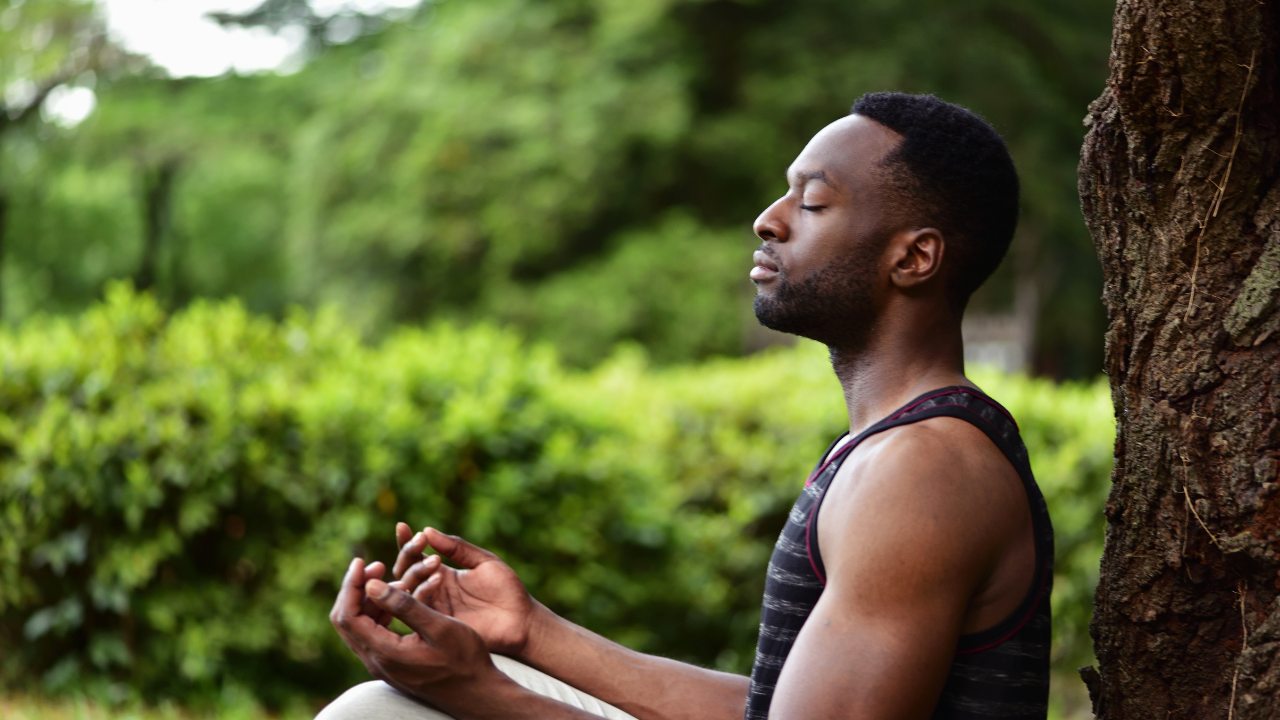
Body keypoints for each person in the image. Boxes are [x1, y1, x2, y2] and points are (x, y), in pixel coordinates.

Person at [321, 92, 1054, 720]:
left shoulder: (923, 471)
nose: (769, 220)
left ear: (913, 259)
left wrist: (488, 696)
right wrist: (529, 633)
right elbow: (776, 704)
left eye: (814, 201)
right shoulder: (897, 447)